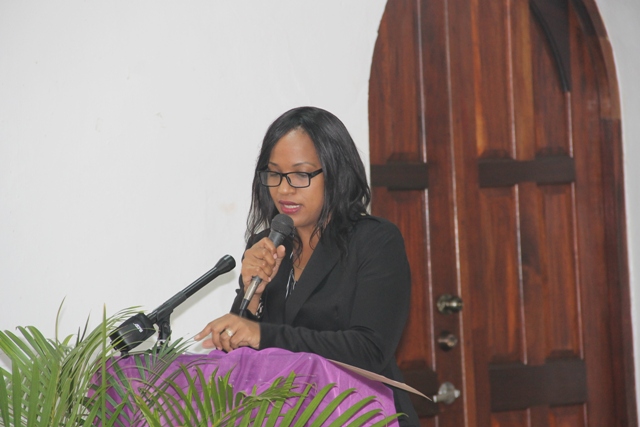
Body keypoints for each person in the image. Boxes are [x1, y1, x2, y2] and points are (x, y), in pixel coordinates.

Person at [195, 106, 419, 426]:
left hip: (360, 415)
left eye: (301, 174)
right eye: (274, 174)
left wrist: (262, 334)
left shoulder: (374, 241)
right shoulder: (269, 242)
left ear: (336, 173)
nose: (284, 189)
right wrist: (252, 293)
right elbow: (240, 359)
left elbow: (370, 350)